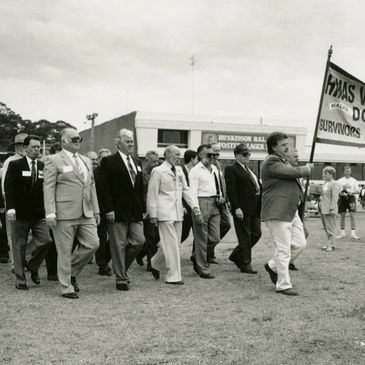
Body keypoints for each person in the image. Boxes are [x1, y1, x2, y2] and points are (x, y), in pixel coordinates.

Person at [44, 128, 100, 299]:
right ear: (64, 141)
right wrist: (50, 212)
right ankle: (66, 286)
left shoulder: (86, 160)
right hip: (64, 213)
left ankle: (71, 272)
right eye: (74, 138)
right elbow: (48, 187)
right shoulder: (53, 160)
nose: (78, 140)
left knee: (93, 244)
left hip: (86, 211)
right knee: (65, 251)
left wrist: (96, 210)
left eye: (79, 138)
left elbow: (91, 186)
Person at [261, 132, 313, 296]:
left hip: (291, 210)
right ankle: (283, 285)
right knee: (283, 250)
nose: (287, 147)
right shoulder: (271, 161)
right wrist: (306, 169)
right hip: (278, 211)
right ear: (273, 147)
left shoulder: (284, 161)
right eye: (283, 145)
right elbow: (291, 173)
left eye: (287, 144)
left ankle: (272, 266)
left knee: (300, 243)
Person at [99, 129, 145, 291]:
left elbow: (140, 189)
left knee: (139, 241)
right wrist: (108, 209)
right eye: (127, 141)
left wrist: (143, 208)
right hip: (116, 211)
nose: (131, 144)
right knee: (118, 244)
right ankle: (121, 278)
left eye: (132, 141)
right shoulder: (109, 161)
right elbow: (104, 189)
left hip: (135, 210)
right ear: (118, 142)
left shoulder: (137, 162)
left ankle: (121, 269)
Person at [147, 145, 200, 285]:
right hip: (164, 212)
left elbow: (186, 190)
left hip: (178, 212)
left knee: (173, 244)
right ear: (168, 155)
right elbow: (152, 193)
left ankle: (155, 262)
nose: (179, 157)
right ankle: (173, 276)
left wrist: (194, 206)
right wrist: (152, 214)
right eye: (176, 154)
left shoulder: (179, 170)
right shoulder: (158, 171)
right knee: (171, 244)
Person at [5, 135, 51, 290]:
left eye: (39, 147)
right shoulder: (15, 165)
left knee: (46, 240)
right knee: (19, 245)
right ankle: (21, 280)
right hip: (20, 213)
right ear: (25, 148)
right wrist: (11, 208)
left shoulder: (43, 165)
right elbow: (9, 188)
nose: (37, 150)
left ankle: (32, 265)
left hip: (39, 213)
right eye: (34, 147)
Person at [224, 143, 261, 274]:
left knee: (257, 233)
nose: (248, 156)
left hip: (255, 208)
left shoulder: (249, 169)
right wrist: (236, 208)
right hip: (242, 208)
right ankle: (246, 263)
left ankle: (236, 254)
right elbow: (231, 191)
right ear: (237, 155)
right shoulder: (231, 169)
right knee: (244, 236)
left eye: (249, 154)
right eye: (245, 154)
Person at [189, 144, 223, 279]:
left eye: (214, 154)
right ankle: (202, 268)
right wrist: (196, 211)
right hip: (201, 202)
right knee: (201, 238)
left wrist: (220, 195)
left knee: (215, 237)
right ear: (200, 155)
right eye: (209, 155)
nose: (212, 157)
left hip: (214, 203)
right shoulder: (195, 171)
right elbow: (192, 193)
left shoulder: (214, 169)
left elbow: (217, 184)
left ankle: (196, 255)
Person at [2, 133, 28, 269]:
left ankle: (23, 259)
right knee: (13, 235)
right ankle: (15, 263)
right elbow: (5, 186)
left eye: (25, 144)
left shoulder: (31, 161)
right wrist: (10, 205)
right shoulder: (10, 161)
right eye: (21, 144)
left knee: (28, 234)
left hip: (29, 205)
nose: (23, 147)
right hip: (14, 204)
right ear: (16, 146)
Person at [136, 150, 160, 271]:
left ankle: (140, 254)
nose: (156, 164)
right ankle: (152, 263)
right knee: (150, 236)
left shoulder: (157, 173)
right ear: (146, 161)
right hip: (144, 210)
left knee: (157, 237)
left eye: (157, 161)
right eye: (153, 162)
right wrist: (144, 209)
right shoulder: (140, 174)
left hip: (156, 209)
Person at [92, 149, 112, 276]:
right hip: (100, 210)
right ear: (99, 160)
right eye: (103, 159)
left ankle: (105, 259)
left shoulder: (112, 172)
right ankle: (102, 264)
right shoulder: (95, 173)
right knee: (101, 238)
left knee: (116, 238)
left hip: (112, 210)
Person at [209, 143, 231, 263]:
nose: (217, 153)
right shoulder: (206, 164)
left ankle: (208, 249)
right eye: (215, 150)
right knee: (207, 228)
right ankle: (206, 253)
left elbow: (222, 183)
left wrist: (226, 199)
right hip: (211, 200)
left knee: (226, 224)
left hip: (222, 200)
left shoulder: (219, 164)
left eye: (219, 151)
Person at [319, 166, 341, 252]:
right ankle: (330, 243)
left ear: (331, 174)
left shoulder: (334, 184)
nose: (323, 175)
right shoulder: (325, 183)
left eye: (326, 173)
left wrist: (332, 208)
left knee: (331, 228)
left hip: (329, 208)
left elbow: (335, 198)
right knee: (326, 227)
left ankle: (331, 245)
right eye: (323, 173)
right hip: (322, 207)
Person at [337, 166, 360, 240]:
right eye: (346, 171)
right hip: (342, 199)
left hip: (351, 198)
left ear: (351, 172)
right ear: (344, 172)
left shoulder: (354, 181)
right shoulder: (340, 181)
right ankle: (342, 233)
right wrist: (341, 193)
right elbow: (337, 190)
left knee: (352, 215)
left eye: (349, 171)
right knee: (342, 215)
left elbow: (357, 191)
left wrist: (351, 192)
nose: (348, 172)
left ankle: (353, 233)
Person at [181, 149, 198, 243]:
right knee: (184, 233)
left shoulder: (196, 172)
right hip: (185, 207)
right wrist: (182, 206)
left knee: (197, 233)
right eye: (196, 159)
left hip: (194, 206)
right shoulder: (181, 171)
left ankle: (195, 256)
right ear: (192, 159)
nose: (197, 161)